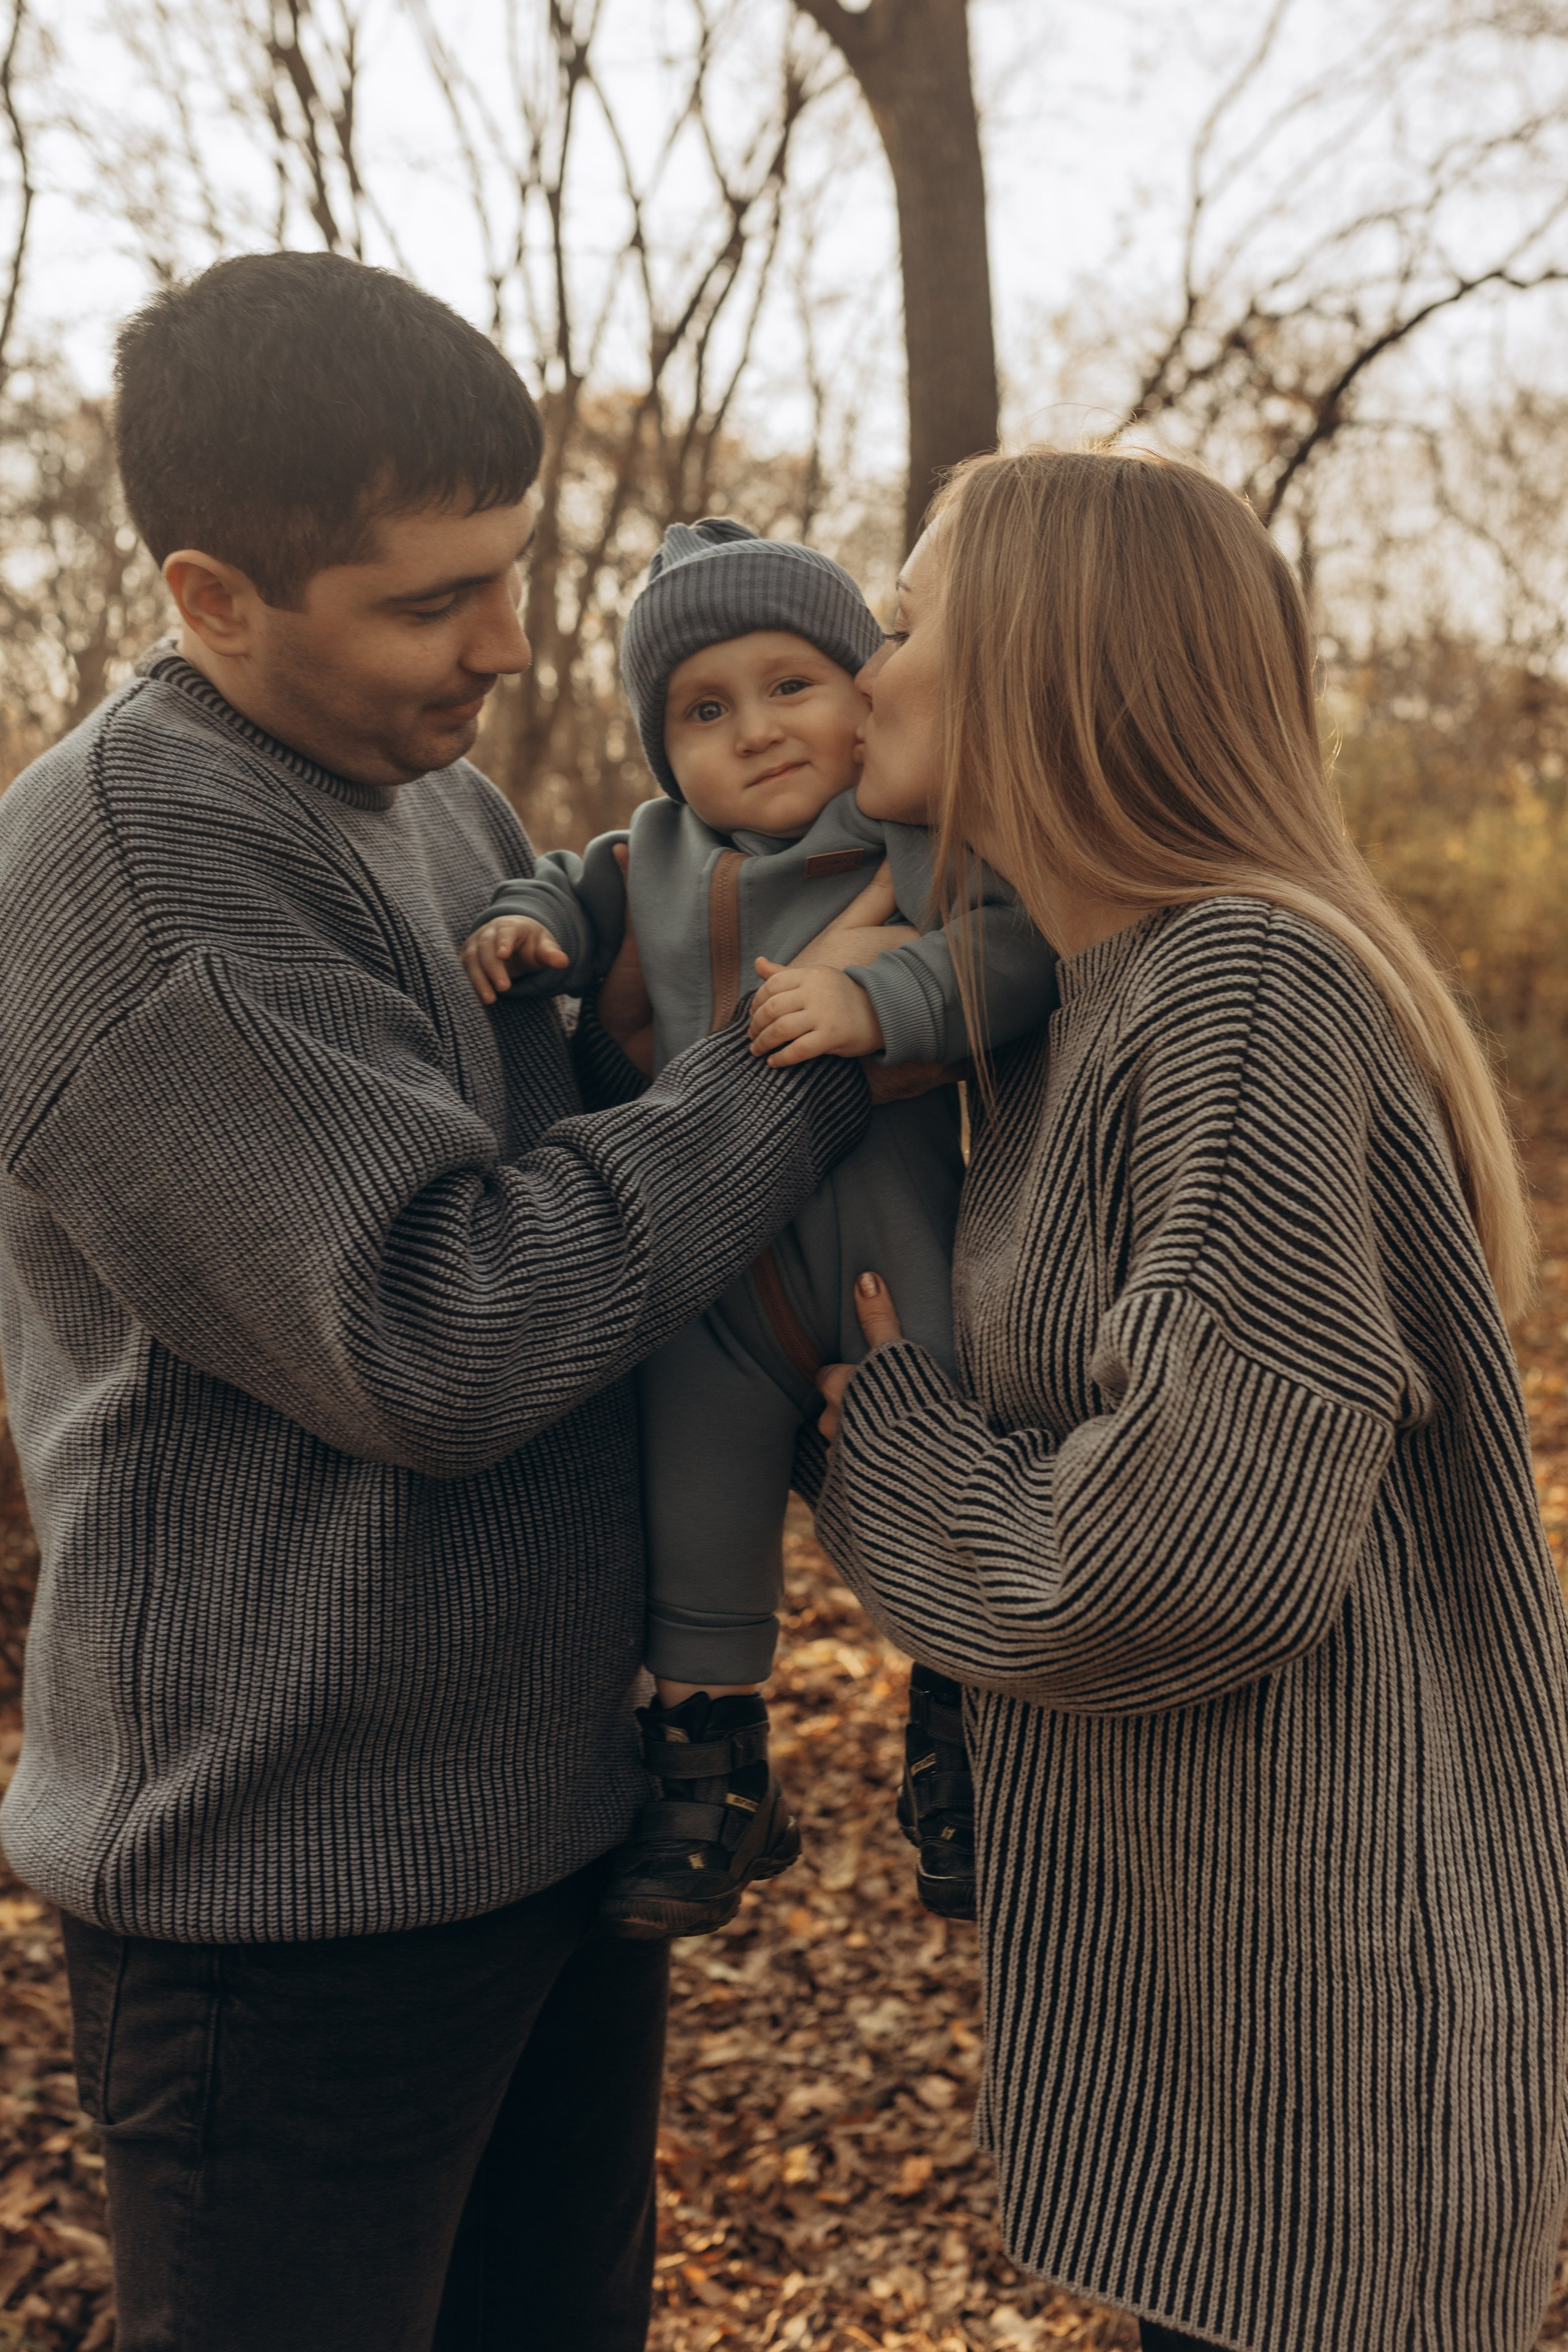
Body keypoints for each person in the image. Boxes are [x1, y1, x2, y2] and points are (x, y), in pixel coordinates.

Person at [0, 251, 889, 2352]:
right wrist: (821, 1059)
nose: (505, 643)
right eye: (429, 602)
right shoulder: (146, 879)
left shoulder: (436, 801)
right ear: (212, 595)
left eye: (513, 569)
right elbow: (444, 1322)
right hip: (291, 1892)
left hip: (542, 1816)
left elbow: (617, 1207)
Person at [810, 445, 1568, 2352]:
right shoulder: (1096, 1008)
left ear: (1046, 666)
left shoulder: (1238, 989)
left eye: (902, 620)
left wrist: (877, 1433)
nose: (860, 661)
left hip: (1338, 2050)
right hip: (1237, 2019)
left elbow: (1176, 1562)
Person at [459, 518, 1058, 1937]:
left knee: (941, 1489)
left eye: (795, 683)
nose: (759, 730)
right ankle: (711, 1779)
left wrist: (876, 1001)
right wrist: (518, 924)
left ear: (867, 691)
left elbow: (1012, 950)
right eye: (704, 710)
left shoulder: (913, 836)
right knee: (698, 1527)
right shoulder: (649, 851)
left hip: (888, 1255)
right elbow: (561, 880)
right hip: (710, 1287)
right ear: (665, 752)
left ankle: (964, 1751)